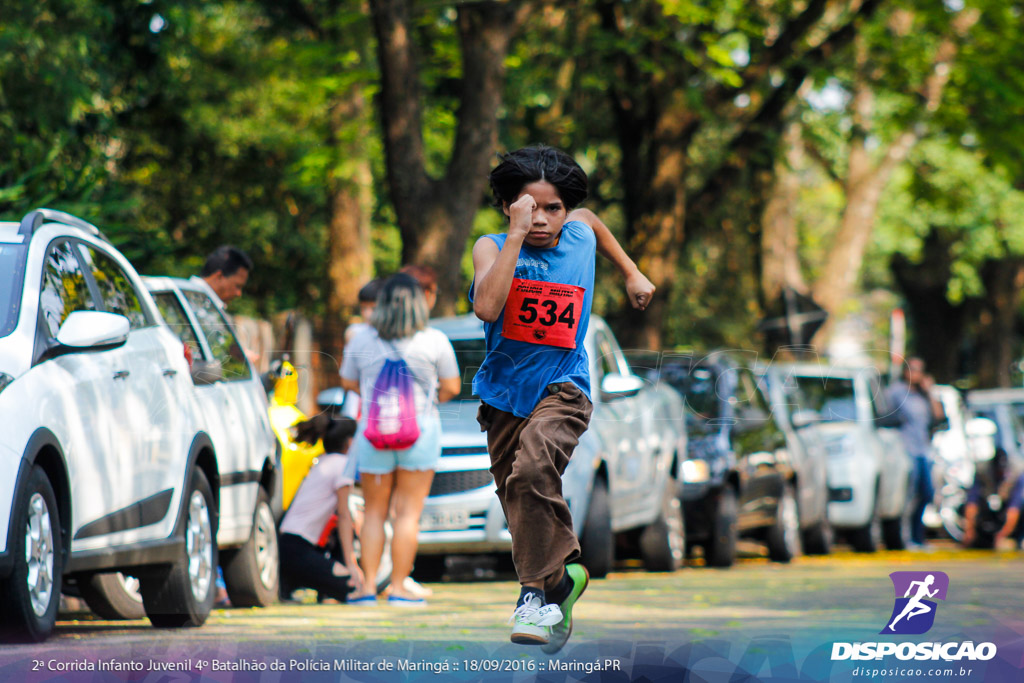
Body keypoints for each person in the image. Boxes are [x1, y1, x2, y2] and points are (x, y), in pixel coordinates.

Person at [470, 145, 655, 652]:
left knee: (532, 472)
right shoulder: (491, 246)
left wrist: (631, 271)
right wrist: (514, 234)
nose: (543, 219)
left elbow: (592, 220)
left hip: (565, 386)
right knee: (516, 496)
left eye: (553, 208)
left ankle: (532, 595)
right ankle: (559, 584)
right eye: (530, 206)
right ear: (509, 206)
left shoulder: (578, 231)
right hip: (505, 395)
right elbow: (488, 307)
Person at [340, 273, 461, 605]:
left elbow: (348, 382)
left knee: (374, 512)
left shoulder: (361, 339)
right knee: (407, 514)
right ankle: (398, 588)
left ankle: (366, 590)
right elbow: (452, 387)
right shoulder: (434, 339)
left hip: (373, 435)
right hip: (419, 434)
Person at [278, 415, 364, 603]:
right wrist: (352, 564)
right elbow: (344, 516)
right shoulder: (342, 465)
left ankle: (302, 582)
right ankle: (321, 584)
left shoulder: (324, 460)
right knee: (354, 587)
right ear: (350, 442)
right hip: (297, 548)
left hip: (288, 544)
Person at [885, 357, 945, 548]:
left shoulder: (922, 396)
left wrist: (930, 392)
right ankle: (905, 538)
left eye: (919, 370)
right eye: (912, 369)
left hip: (923, 450)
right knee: (908, 495)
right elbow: (885, 417)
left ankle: (918, 537)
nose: (916, 373)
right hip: (904, 449)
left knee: (927, 493)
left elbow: (938, 417)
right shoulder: (895, 392)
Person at [962, 447, 1024, 550]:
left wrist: (1003, 534)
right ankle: (980, 537)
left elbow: (1014, 508)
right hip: (987, 507)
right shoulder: (982, 470)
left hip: (1006, 508)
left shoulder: (1017, 472)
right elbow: (972, 502)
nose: (1000, 473)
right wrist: (969, 530)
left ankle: (1018, 539)